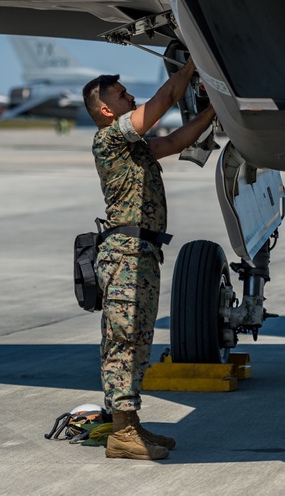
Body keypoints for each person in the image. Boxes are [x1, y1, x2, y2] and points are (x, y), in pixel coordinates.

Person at [82, 58, 217, 461]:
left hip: (141, 254)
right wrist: (193, 64)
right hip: (125, 255)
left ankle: (131, 425)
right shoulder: (109, 138)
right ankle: (122, 433)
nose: (132, 98)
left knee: (138, 339)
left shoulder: (133, 146)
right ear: (107, 110)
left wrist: (214, 112)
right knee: (123, 340)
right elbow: (164, 99)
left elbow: (174, 142)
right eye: (123, 96)